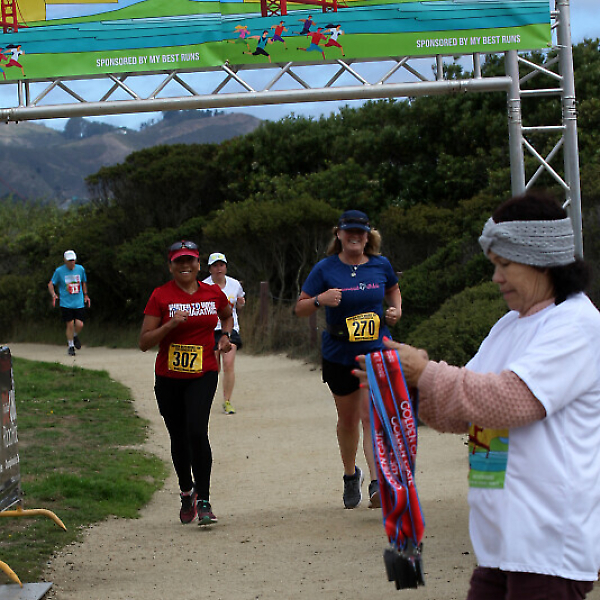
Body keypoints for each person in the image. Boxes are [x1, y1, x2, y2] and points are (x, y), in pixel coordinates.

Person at [356, 191, 600, 599]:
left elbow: (509, 401)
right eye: (494, 265)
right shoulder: (509, 325)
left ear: (542, 261)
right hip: (499, 544)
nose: (496, 278)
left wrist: (425, 372)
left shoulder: (577, 325)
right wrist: (399, 390)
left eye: (505, 264)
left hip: (549, 545)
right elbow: (463, 409)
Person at [295, 210, 402, 509]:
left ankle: (378, 484)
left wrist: (396, 310)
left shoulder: (381, 265)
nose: (355, 236)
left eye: (360, 232)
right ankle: (350, 473)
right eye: (349, 231)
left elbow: (393, 289)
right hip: (339, 353)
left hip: (374, 351)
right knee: (348, 420)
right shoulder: (325, 268)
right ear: (339, 234)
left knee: (371, 416)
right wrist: (320, 300)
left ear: (368, 236)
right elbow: (300, 307)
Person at [139, 241, 234, 526]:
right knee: (179, 436)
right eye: (179, 261)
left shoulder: (213, 293)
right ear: (170, 266)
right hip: (169, 378)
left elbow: (227, 315)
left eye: (190, 260)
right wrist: (169, 325)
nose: (185, 266)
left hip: (203, 372)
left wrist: (225, 336)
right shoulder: (160, 295)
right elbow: (144, 342)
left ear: (198, 264)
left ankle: (204, 500)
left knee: (196, 431)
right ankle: (186, 491)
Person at [203, 252, 246, 415]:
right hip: (210, 329)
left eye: (221, 265)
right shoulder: (203, 286)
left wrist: (241, 304)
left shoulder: (234, 284)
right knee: (214, 367)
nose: (218, 269)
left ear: (226, 267)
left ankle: (227, 401)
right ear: (210, 269)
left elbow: (240, 304)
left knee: (228, 364)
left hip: (230, 328)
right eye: (215, 266)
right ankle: (205, 400)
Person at [48, 250, 90, 356]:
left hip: (78, 302)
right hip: (66, 302)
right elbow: (51, 284)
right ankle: (71, 346)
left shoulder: (80, 269)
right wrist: (54, 294)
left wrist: (86, 295)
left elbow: (83, 282)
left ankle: (74, 335)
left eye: (73, 260)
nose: (72, 263)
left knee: (80, 324)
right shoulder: (59, 271)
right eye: (69, 261)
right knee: (70, 324)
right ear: (65, 261)